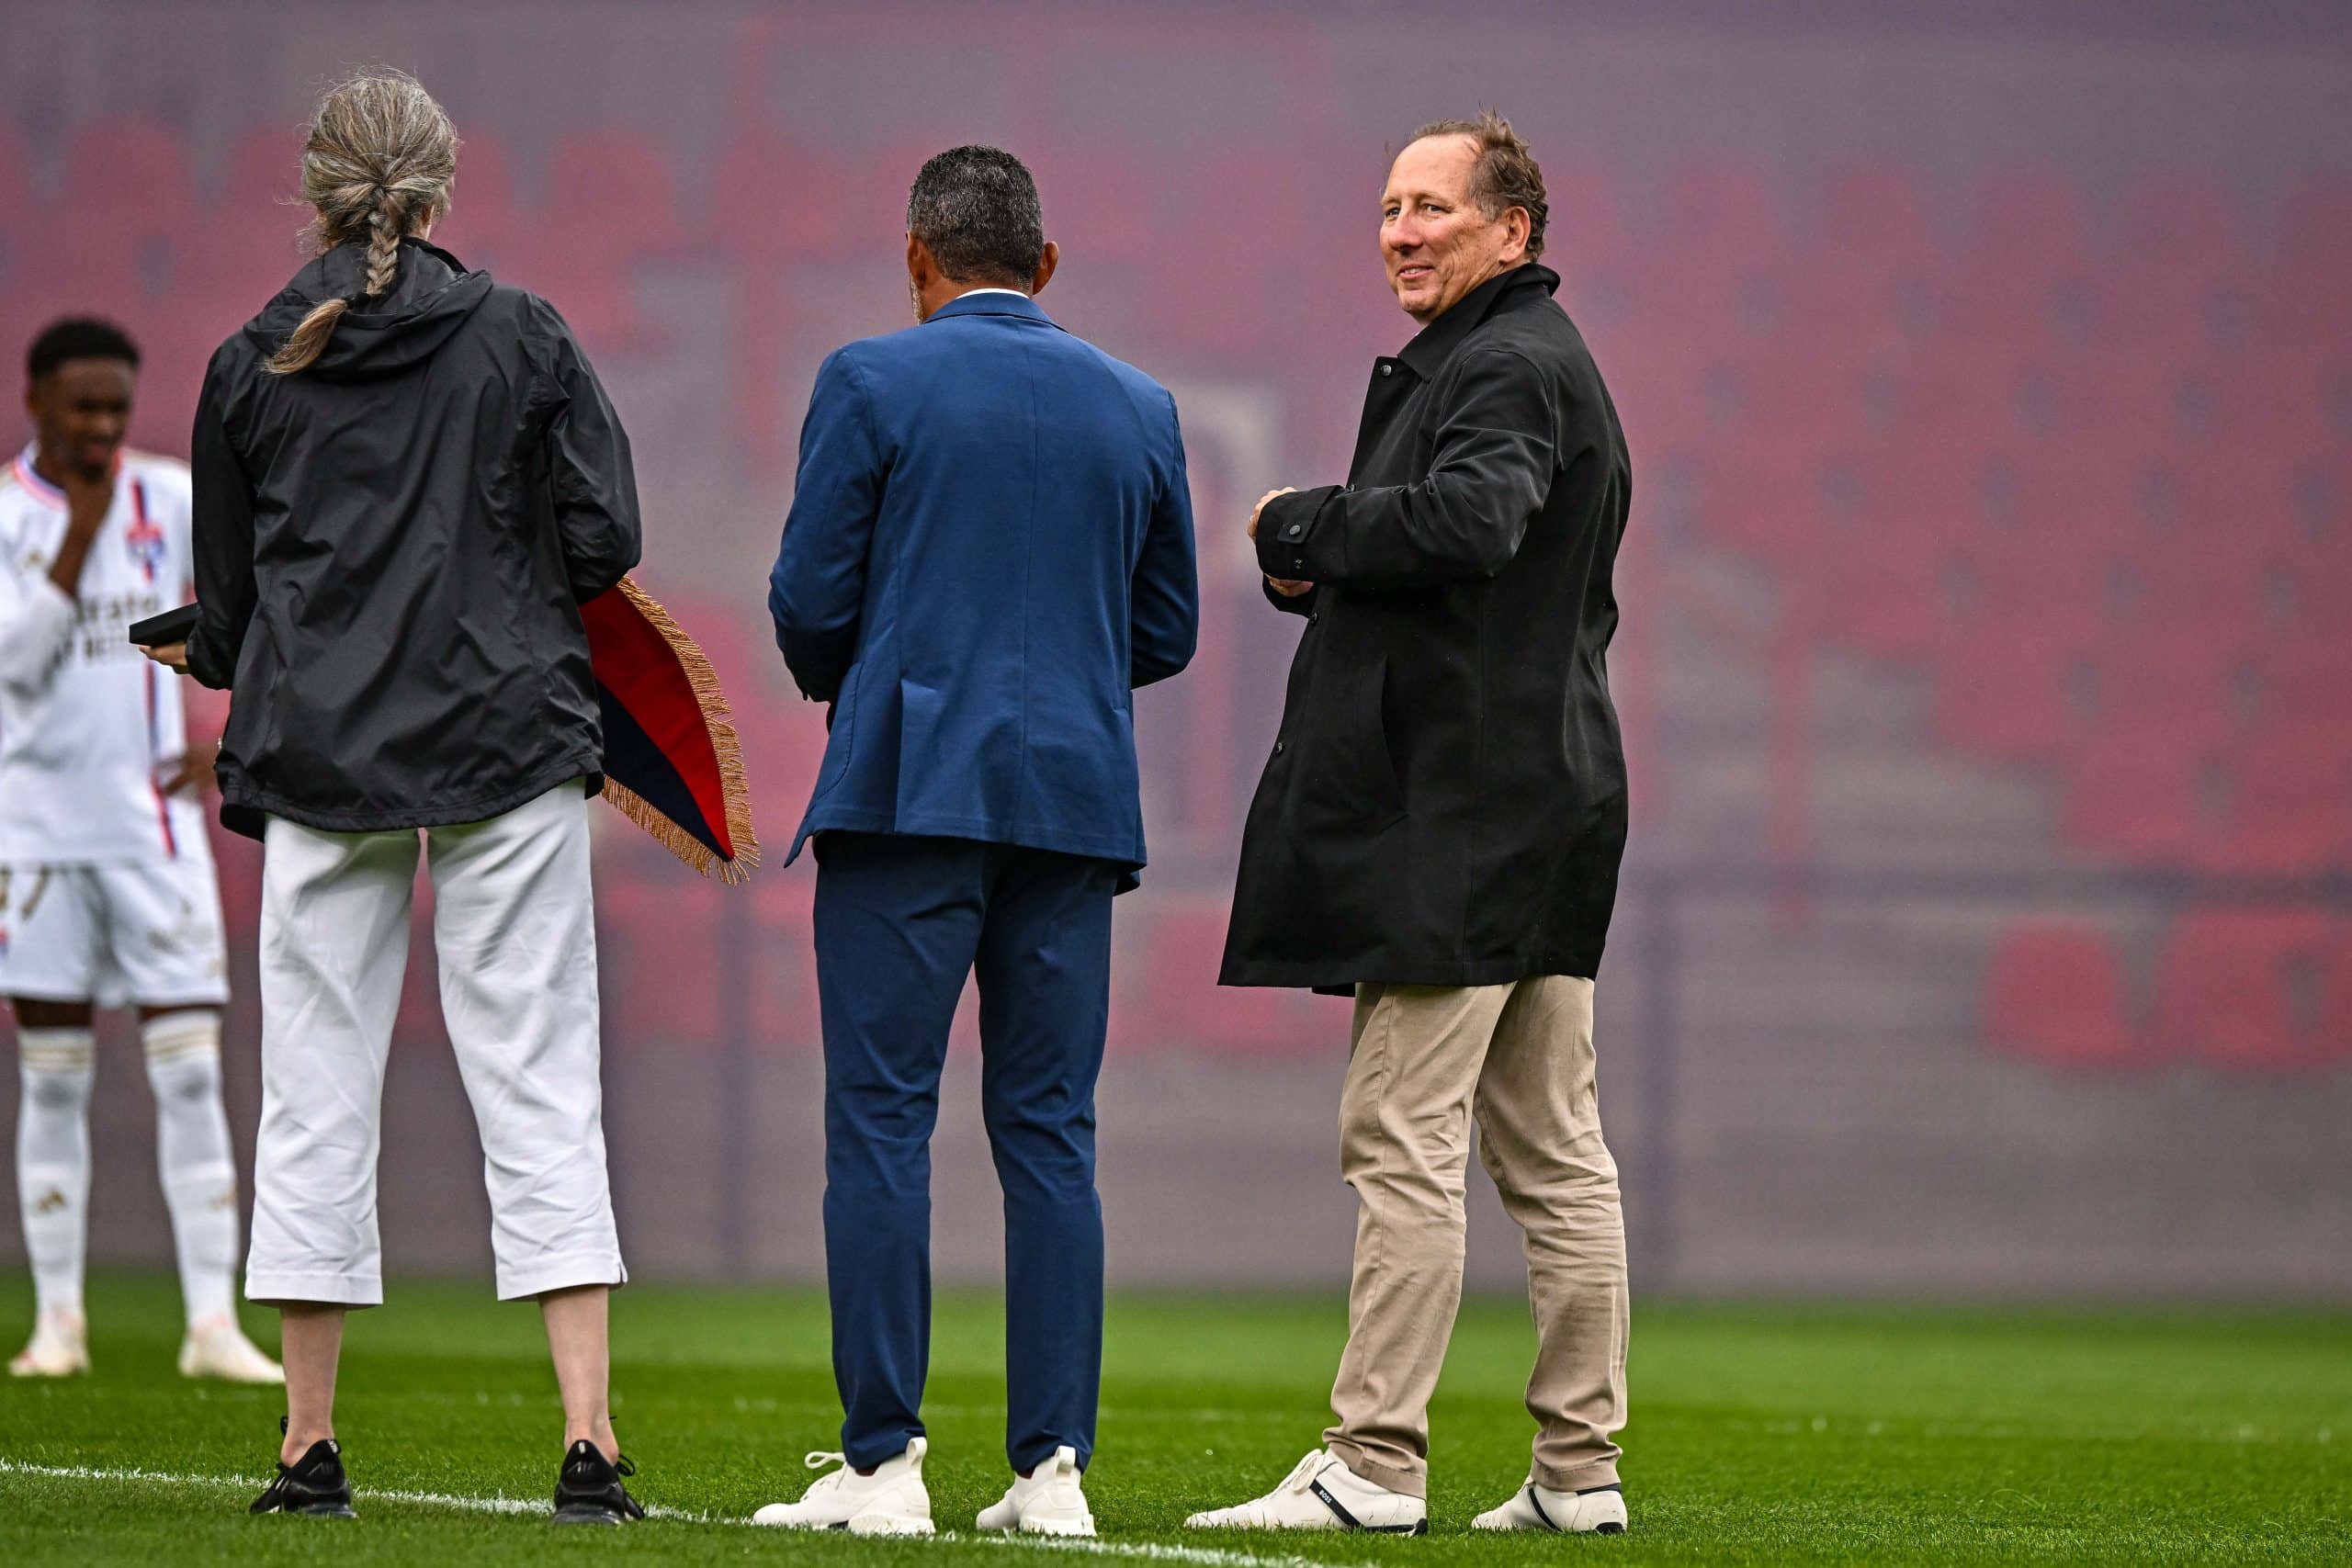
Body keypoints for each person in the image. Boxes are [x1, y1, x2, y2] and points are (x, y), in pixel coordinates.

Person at [142, 70, 644, 1525]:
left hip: (323, 757)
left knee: (311, 1092)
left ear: (317, 193)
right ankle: (589, 1446)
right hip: (506, 743)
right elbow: (605, 537)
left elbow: (228, 618)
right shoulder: (523, 335)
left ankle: (307, 1450)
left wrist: (240, 633)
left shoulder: (250, 363)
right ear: (439, 193)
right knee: (543, 1077)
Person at [1190, 113, 1634, 1537]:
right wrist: (1337, 571)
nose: (1400, 228)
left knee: (1402, 1132)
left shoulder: (1503, 361)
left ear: (1516, 230)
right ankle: (1579, 1470)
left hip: (1464, 816)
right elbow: (1472, 564)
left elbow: (1471, 522)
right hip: (1544, 801)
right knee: (1555, 1149)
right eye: (1388, 205)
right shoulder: (1537, 360)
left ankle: (1373, 1458)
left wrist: (1300, 528)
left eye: (1432, 205)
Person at [754, 146, 1197, 1539]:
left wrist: (881, 667)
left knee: (883, 1119)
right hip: (1073, 806)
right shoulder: (1142, 405)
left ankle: (884, 1463)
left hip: (904, 791)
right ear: (1047, 263)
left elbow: (808, 597)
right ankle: (1052, 1471)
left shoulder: (869, 381)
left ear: (916, 257)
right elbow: (1169, 629)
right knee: (1051, 1132)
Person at [0, 318, 282, 1386]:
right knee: (55, 1080)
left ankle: (212, 1324)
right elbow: (15, 668)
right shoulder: (8, 516)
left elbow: (256, 610)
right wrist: (76, 535)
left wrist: (232, 738)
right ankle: (57, 1325)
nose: (103, 429)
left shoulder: (170, 498)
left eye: (117, 407)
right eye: (83, 407)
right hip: (35, 840)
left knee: (190, 1074)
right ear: (37, 398)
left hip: (154, 841)